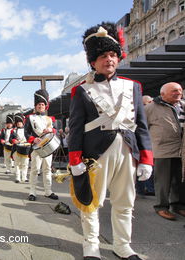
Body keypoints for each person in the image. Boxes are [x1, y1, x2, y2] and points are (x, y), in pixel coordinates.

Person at [68, 22, 153, 260]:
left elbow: (142, 127)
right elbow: (75, 129)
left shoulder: (133, 87)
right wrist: (75, 159)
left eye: (113, 54)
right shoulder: (82, 91)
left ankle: (122, 245)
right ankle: (91, 245)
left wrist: (146, 159)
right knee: (92, 203)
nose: (109, 59)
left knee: (125, 203)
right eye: (103, 55)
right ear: (93, 61)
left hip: (128, 152)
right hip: (96, 155)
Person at [145, 82, 185, 220]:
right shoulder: (150, 108)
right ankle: (161, 207)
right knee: (163, 181)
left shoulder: (182, 105)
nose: (178, 92)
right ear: (163, 94)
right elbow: (141, 127)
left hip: (182, 150)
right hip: (162, 150)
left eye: (180, 90)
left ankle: (178, 205)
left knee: (180, 180)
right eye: (174, 90)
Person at [25, 89, 59, 201]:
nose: (40, 106)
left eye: (42, 104)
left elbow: (55, 131)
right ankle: (32, 191)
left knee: (47, 169)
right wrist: (33, 139)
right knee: (35, 170)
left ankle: (48, 191)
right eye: (39, 104)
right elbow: (27, 132)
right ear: (36, 106)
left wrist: (51, 129)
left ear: (45, 106)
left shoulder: (50, 119)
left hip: (48, 148)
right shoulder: (30, 118)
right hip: (36, 148)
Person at [10, 112, 29, 183]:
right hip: (16, 149)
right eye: (17, 122)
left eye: (20, 122)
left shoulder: (27, 130)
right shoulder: (13, 130)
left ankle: (24, 177)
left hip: (26, 148)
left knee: (25, 164)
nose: (18, 123)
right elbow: (10, 139)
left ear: (23, 122)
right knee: (17, 164)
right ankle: (17, 177)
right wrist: (14, 140)